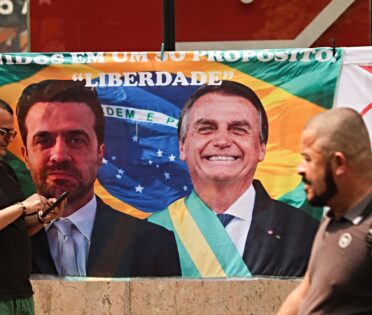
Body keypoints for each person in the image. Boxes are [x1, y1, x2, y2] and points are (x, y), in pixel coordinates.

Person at [149, 80, 319, 277]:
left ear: (261, 147)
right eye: (206, 128)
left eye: (238, 129)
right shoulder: (151, 232)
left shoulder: (307, 234)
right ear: (182, 147)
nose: (222, 141)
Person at [16, 79, 181, 277]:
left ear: (100, 154)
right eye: (44, 140)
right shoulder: (9, 240)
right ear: (26, 155)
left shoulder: (152, 242)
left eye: (76, 140)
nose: (59, 156)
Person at [277, 108, 372, 315]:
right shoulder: (334, 218)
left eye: (308, 159)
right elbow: (304, 292)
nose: (300, 169)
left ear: (339, 163)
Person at [0, 99, 62, 315]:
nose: (7, 140)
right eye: (2, 132)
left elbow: (17, 228)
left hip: (20, 294)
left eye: (11, 134)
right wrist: (22, 207)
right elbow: (18, 211)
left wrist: (43, 218)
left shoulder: (6, 170)